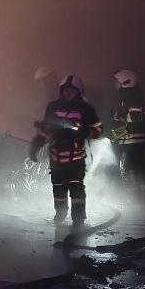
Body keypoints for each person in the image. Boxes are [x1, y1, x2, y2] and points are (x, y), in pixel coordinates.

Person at [29, 74, 101, 223]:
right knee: (58, 188)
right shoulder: (53, 107)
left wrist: (85, 131)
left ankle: (78, 219)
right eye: (65, 90)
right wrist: (36, 145)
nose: (68, 93)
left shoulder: (86, 109)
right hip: (56, 157)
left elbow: (98, 129)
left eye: (71, 90)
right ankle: (60, 213)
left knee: (76, 188)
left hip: (76, 158)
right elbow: (46, 130)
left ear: (78, 92)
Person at [108, 69, 145, 190]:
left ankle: (134, 197)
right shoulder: (133, 96)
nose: (115, 85)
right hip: (136, 143)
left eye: (117, 82)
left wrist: (118, 119)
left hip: (133, 143)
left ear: (125, 82)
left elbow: (133, 120)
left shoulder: (131, 97)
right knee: (139, 170)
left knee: (128, 171)